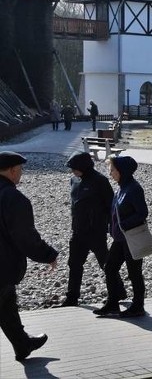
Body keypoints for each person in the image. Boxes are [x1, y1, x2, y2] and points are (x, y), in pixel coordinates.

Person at [0, 151, 58, 361]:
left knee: (6, 305)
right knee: (5, 302)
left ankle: (22, 344)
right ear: (13, 170)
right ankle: (22, 343)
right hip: (3, 265)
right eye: (21, 169)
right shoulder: (12, 198)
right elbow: (25, 237)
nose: (22, 173)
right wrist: (48, 254)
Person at [57, 152, 115, 307]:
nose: (72, 171)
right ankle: (72, 297)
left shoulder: (100, 181)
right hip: (78, 231)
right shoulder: (74, 180)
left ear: (84, 167)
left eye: (75, 168)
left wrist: (110, 226)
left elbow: (111, 206)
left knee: (106, 264)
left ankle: (118, 291)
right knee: (74, 264)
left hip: (96, 231)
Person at [93, 156, 149, 318]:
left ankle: (138, 306)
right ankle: (112, 303)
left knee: (134, 272)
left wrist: (124, 224)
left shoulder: (134, 188)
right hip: (120, 238)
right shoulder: (121, 188)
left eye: (113, 170)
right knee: (110, 267)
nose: (110, 173)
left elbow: (142, 213)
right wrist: (111, 226)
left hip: (131, 237)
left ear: (122, 171)